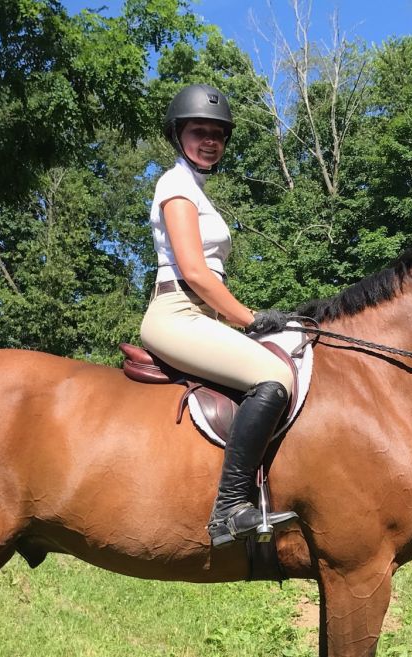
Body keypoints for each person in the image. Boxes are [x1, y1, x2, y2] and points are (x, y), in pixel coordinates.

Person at [141, 84, 295, 547]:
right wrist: (248, 319)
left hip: (200, 314)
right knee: (273, 376)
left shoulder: (196, 189)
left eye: (218, 134)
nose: (210, 141)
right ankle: (229, 508)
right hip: (176, 311)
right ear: (178, 134)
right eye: (199, 132)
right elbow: (195, 272)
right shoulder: (174, 184)